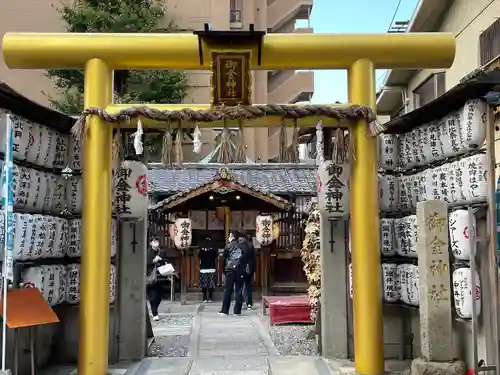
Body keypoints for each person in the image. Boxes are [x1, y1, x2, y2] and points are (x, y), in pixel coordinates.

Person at [219, 231, 248, 315]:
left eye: (230, 236)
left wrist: (225, 270)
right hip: (240, 271)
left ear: (233, 237)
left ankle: (225, 310)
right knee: (238, 290)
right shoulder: (243, 247)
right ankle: (237, 311)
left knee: (228, 290)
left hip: (230, 270)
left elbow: (224, 259)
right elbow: (245, 259)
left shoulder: (228, 246)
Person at [146, 238, 166, 321]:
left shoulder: (161, 252)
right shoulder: (148, 252)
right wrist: (154, 260)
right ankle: (155, 313)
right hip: (151, 276)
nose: (156, 243)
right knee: (153, 295)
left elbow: (165, 261)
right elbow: (146, 263)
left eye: (157, 241)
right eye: (154, 241)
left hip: (160, 276)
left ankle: (154, 309)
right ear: (151, 243)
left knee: (160, 296)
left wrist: (162, 261)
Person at [198, 237, 218, 303]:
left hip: (203, 269)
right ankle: (210, 297)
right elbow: (216, 255)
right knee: (210, 284)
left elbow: (199, 256)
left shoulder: (201, 250)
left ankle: (204, 297)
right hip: (211, 268)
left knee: (204, 284)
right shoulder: (213, 250)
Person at [243, 233, 256, 309]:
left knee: (241, 286)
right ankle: (249, 303)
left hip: (244, 268)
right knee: (249, 286)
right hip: (250, 268)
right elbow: (254, 259)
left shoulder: (243, 246)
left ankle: (242, 301)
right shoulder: (252, 246)